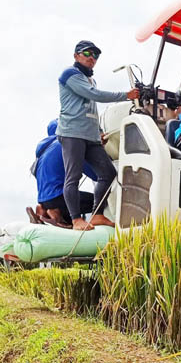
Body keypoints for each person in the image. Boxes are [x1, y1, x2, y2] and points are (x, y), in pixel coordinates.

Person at [57, 40, 139, 231]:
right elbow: (94, 95)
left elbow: (91, 110)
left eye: (96, 55)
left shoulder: (90, 79)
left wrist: (99, 133)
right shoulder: (70, 74)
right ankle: (77, 220)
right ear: (76, 55)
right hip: (72, 134)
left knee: (108, 173)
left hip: (90, 136)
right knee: (73, 176)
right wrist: (126, 95)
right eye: (87, 53)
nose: (92, 58)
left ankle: (97, 214)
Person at [26, 119, 97, 228]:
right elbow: (95, 175)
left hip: (43, 199)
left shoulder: (43, 152)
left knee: (69, 220)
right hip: (59, 198)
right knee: (98, 201)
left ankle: (45, 210)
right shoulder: (69, 144)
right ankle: (55, 212)